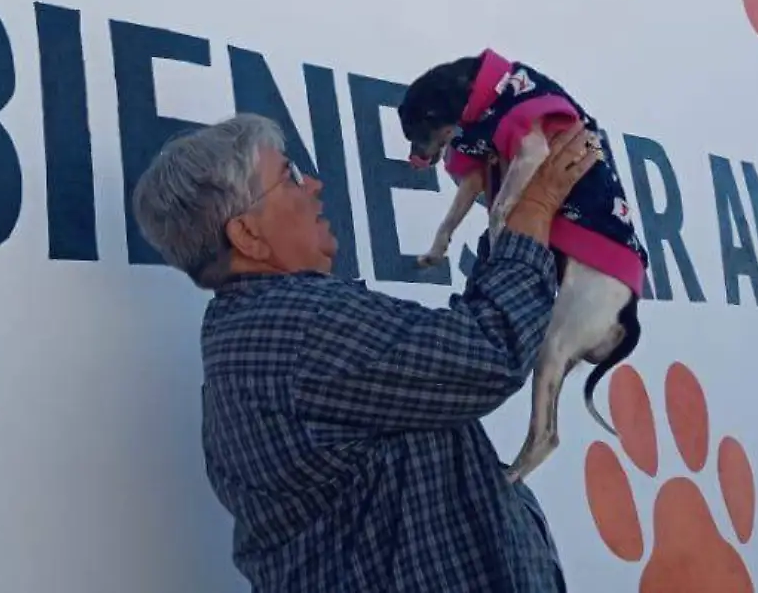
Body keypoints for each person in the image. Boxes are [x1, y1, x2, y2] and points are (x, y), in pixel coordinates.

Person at [132, 112, 601, 593]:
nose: (312, 184)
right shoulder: (297, 330)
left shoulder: (252, 332)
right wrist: (534, 206)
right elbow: (489, 350)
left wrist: (510, 218)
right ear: (247, 236)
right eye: (289, 176)